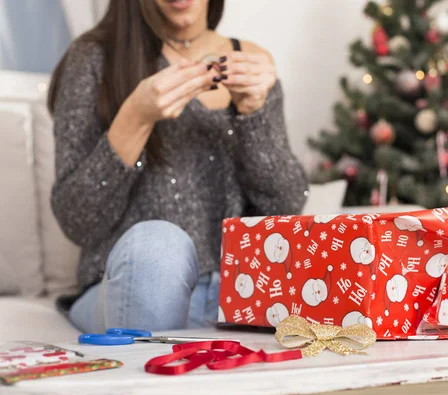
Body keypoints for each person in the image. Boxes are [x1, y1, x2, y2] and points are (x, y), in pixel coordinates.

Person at [48, 0, 308, 333]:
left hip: (238, 294)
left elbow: (286, 209)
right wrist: (136, 117)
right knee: (159, 245)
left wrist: (253, 114)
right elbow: (77, 220)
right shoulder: (93, 58)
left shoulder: (252, 63)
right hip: (127, 288)